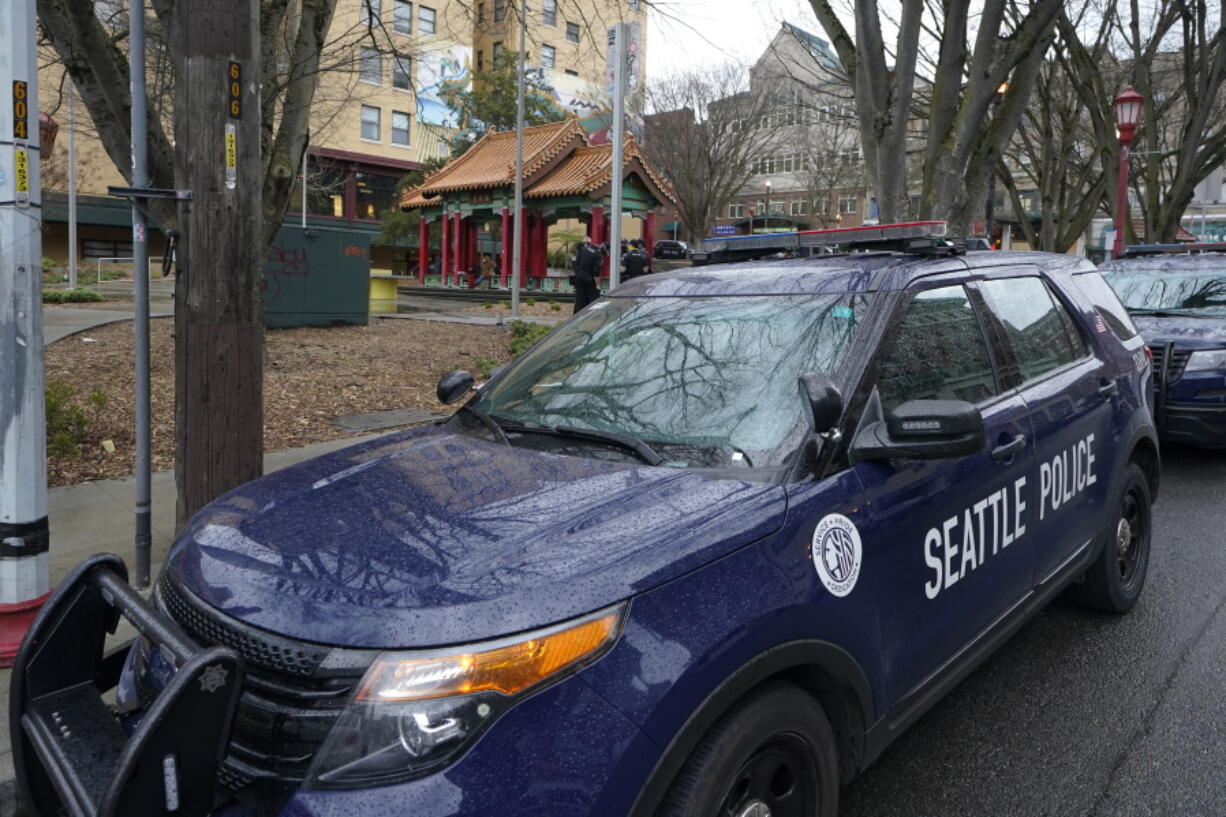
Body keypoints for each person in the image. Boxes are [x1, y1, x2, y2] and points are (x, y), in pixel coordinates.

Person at [572, 235, 603, 313]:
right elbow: (596, 272)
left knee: (580, 298)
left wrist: (578, 274)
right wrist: (598, 286)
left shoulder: (582, 250)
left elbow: (576, 264)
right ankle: (590, 314)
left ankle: (577, 315)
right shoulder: (597, 255)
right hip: (589, 278)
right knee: (591, 298)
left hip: (579, 276)